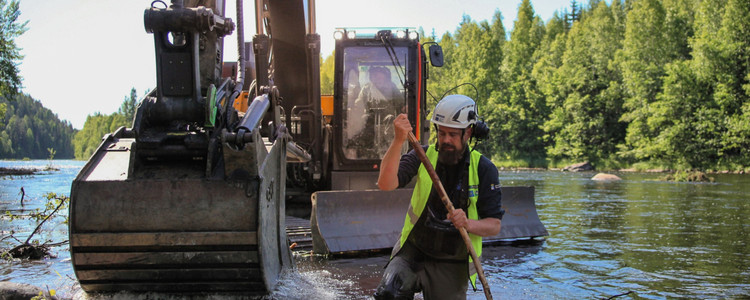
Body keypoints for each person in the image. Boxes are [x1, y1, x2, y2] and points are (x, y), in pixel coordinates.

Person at [373, 94, 504, 300]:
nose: (445, 140)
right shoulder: (422, 155)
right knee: (389, 293)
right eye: (441, 133)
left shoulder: (484, 169)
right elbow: (385, 183)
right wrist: (399, 140)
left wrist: (467, 223)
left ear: (468, 132)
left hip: (453, 260)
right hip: (414, 251)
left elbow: (494, 225)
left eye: (452, 134)